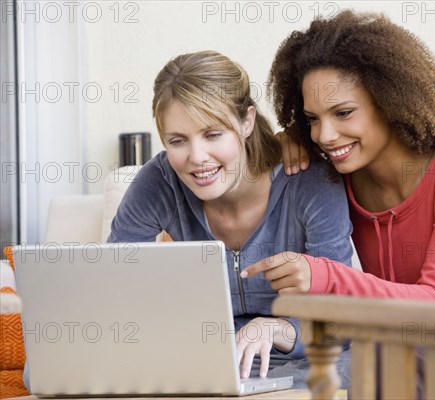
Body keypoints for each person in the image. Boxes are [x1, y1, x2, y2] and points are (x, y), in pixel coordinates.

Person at [242, 10, 435, 305]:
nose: (325, 135)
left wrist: (326, 276)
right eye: (312, 119)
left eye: (343, 113)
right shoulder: (339, 169)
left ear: (388, 101)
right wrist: (290, 138)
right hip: (406, 349)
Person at [107, 50, 354, 384]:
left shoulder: (311, 182)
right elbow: (112, 288)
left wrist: (278, 328)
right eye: (177, 141)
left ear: (246, 121)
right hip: (206, 359)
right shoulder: (160, 181)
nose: (197, 158)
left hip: (299, 357)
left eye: (213, 134)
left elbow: (341, 318)